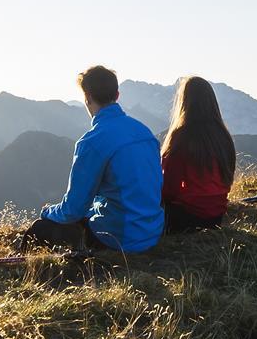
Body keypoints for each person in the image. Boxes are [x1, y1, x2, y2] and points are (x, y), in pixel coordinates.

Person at [26, 65, 164, 254]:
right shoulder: (144, 132)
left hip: (120, 238)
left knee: (40, 229)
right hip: (152, 232)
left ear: (88, 98)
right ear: (117, 95)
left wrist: (47, 211)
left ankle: (27, 266)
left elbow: (72, 210)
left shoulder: (91, 142)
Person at [159, 76, 235, 232]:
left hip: (184, 217)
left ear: (185, 102)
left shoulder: (182, 136)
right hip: (216, 217)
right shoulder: (223, 135)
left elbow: (169, 188)